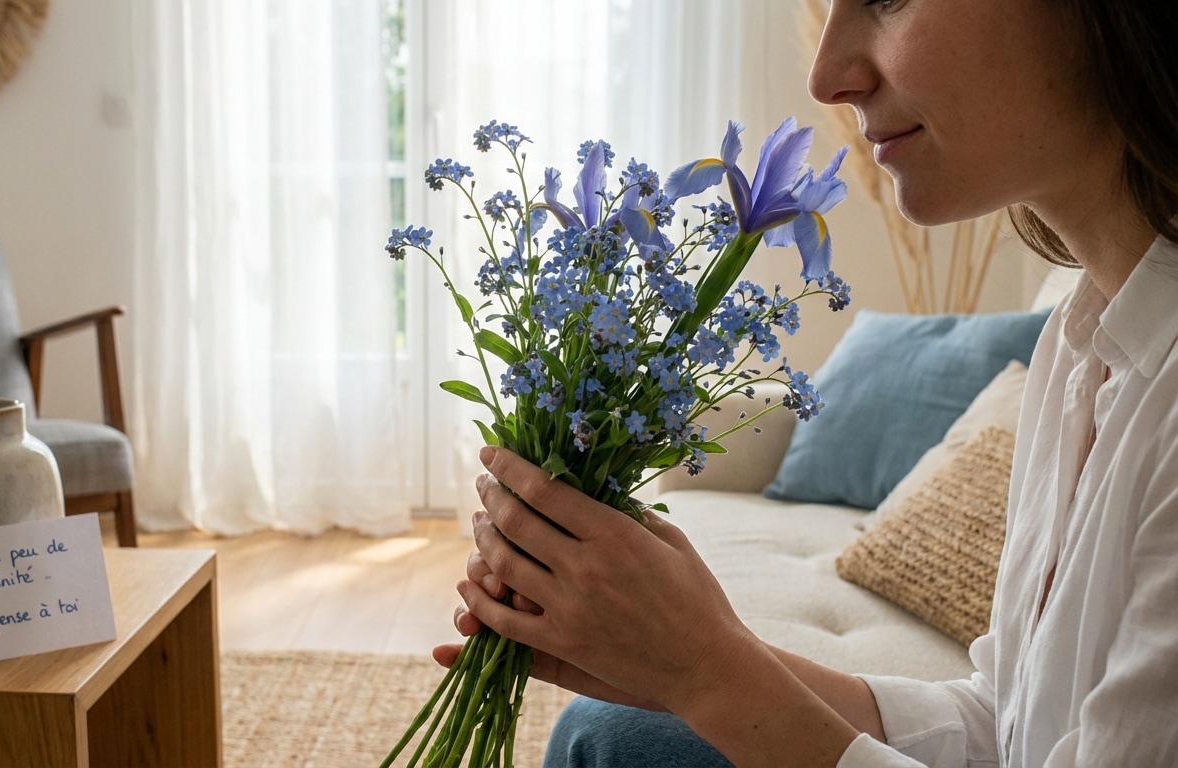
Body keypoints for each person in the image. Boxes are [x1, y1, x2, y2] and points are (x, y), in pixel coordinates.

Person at [432, 0, 1178, 764]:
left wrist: (705, 671)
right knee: (607, 731)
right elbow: (1007, 726)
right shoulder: (1079, 344)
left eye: (886, 0)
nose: (826, 78)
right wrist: (680, 655)